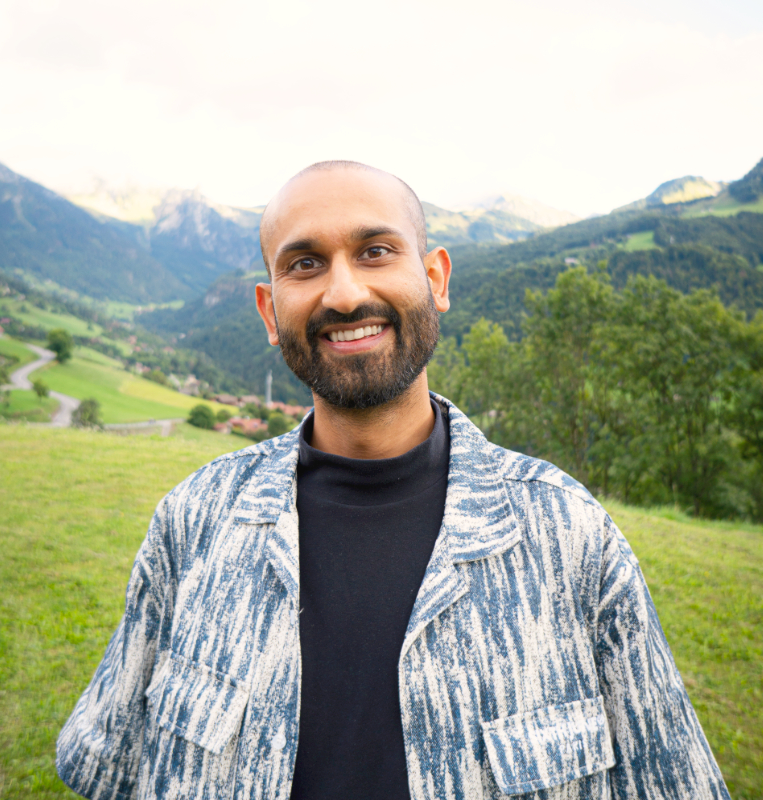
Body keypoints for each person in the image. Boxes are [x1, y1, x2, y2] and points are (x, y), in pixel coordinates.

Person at [57, 161, 729, 800]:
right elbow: (106, 763)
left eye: (376, 251)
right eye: (304, 263)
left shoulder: (572, 538)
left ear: (436, 278)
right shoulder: (193, 521)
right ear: (269, 311)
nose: (345, 293)